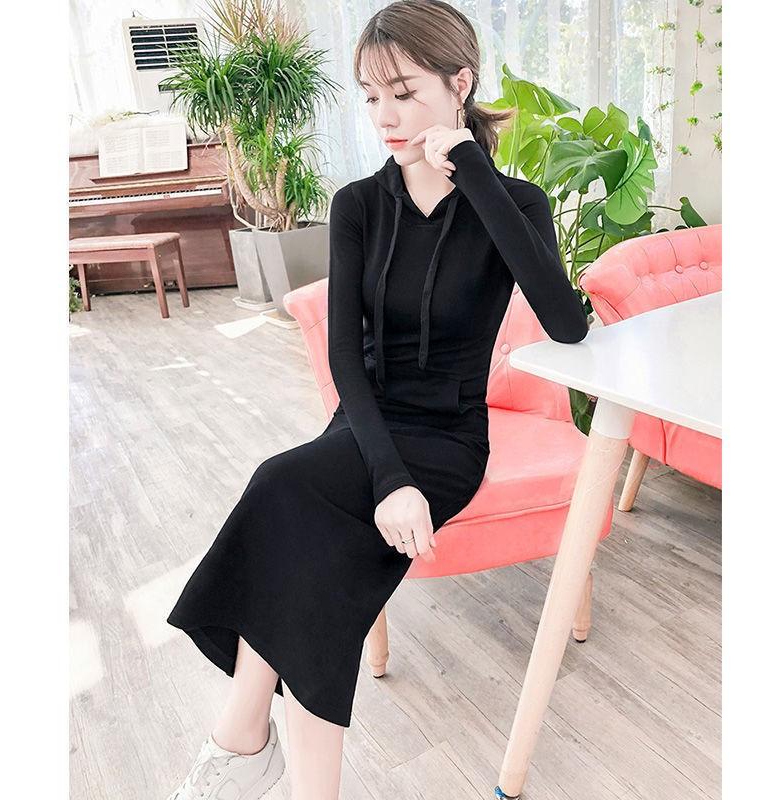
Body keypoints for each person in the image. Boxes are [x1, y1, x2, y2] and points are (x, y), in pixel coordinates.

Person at [163, 1, 589, 798]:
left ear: (459, 84)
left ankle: (241, 738)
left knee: (286, 505)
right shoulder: (359, 203)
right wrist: (390, 479)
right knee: (303, 545)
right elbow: (344, 361)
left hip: (449, 438)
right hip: (363, 427)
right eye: (370, 97)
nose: (384, 117)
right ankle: (266, 754)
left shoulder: (516, 202)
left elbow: (566, 324)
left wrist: (475, 173)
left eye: (404, 93)